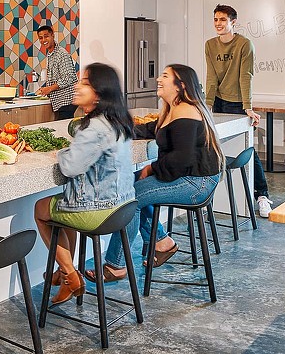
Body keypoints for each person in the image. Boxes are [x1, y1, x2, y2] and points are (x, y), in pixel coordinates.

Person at [93, 64, 223, 282]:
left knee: (130, 199)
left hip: (197, 183)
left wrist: (151, 168)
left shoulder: (187, 113)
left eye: (165, 76)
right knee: (131, 187)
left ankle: (116, 265)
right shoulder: (173, 109)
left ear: (180, 85)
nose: (158, 80)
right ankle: (163, 242)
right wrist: (117, 129)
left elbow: (180, 161)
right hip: (188, 176)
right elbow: (150, 129)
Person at [33, 63, 135, 304]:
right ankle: (66, 271)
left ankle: (70, 274)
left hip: (97, 209)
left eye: (85, 83)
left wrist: (61, 154)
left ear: (99, 94)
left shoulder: (94, 127)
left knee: (40, 209)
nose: (77, 86)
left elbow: (69, 168)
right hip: (123, 205)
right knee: (64, 210)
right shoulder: (117, 120)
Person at [204, 4, 272, 217]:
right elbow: (211, 75)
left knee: (247, 149)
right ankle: (222, 197)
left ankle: (261, 195)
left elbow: (246, 76)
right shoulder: (210, 45)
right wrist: (207, 104)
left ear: (233, 22)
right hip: (219, 102)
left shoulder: (244, 45)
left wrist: (248, 107)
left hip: (239, 103)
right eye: (216, 19)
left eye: (223, 20)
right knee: (219, 148)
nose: (218, 24)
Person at [35, 24, 78, 120]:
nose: (43, 40)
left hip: (67, 101)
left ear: (52, 35)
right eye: (40, 38)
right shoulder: (51, 54)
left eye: (46, 36)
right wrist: (45, 89)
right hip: (60, 102)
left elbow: (69, 78)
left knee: (63, 131)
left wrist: (49, 89)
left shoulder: (61, 54)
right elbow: (56, 77)